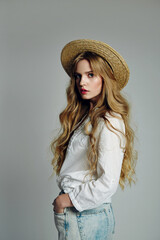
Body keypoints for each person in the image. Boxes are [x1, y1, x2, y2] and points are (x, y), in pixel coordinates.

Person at [50, 39, 137, 240]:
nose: (82, 82)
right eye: (78, 76)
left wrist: (65, 200)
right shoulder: (88, 117)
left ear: (105, 78)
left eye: (90, 75)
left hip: (85, 215)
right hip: (81, 214)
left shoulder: (108, 121)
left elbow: (108, 182)